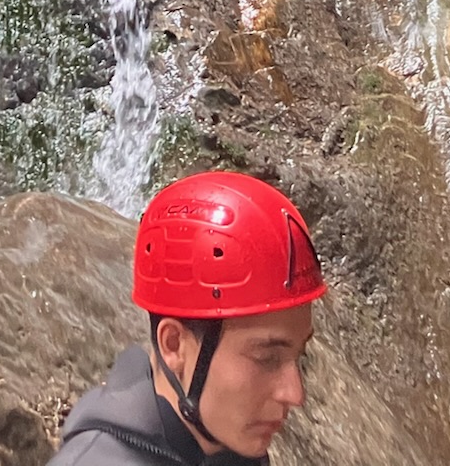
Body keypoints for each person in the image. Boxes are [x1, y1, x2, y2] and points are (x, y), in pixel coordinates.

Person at [49, 173, 325, 466]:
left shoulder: (228, 451)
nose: (295, 394)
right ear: (174, 345)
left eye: (300, 356)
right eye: (266, 357)